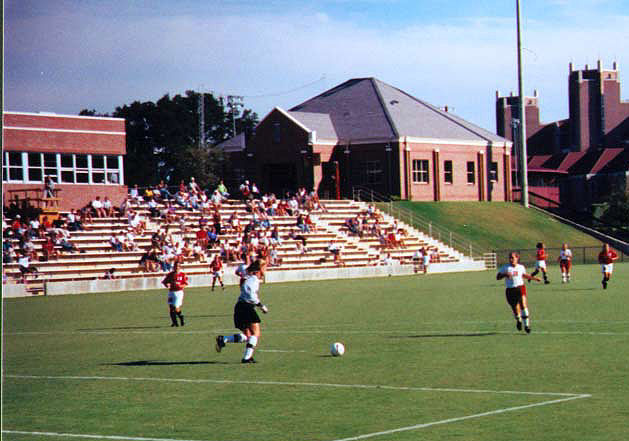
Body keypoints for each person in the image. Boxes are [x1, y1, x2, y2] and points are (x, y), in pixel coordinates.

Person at [215, 260, 269, 363]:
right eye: (265, 268)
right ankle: (247, 358)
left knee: (247, 336)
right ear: (259, 269)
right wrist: (261, 305)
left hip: (241, 307)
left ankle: (224, 339)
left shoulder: (251, 279)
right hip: (246, 307)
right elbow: (250, 294)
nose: (266, 270)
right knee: (255, 334)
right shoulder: (253, 280)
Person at [496, 251, 540, 333]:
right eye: (510, 258)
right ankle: (519, 320)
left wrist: (533, 278)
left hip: (520, 288)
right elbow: (497, 277)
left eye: (513, 257)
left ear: (517, 258)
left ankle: (527, 325)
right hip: (510, 290)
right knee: (516, 309)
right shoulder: (505, 267)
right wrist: (504, 275)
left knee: (523, 304)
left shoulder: (521, 267)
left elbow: (523, 275)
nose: (511, 259)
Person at [161, 261, 188, 327]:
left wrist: (180, 286)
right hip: (171, 293)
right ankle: (174, 322)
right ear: (174, 267)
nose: (176, 267)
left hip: (179, 293)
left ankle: (181, 318)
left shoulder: (182, 275)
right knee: (171, 307)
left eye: (178, 266)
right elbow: (164, 282)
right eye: (175, 266)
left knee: (176, 307)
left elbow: (185, 284)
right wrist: (167, 285)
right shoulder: (170, 274)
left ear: (180, 267)